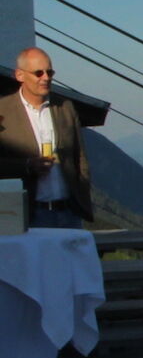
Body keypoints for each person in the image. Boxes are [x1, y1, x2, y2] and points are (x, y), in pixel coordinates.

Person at [0, 47, 93, 229]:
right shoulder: (4, 111)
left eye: (49, 72)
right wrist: (27, 166)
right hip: (27, 215)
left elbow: (79, 156)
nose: (46, 78)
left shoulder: (65, 108)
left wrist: (82, 190)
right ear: (20, 75)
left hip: (69, 212)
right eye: (38, 73)